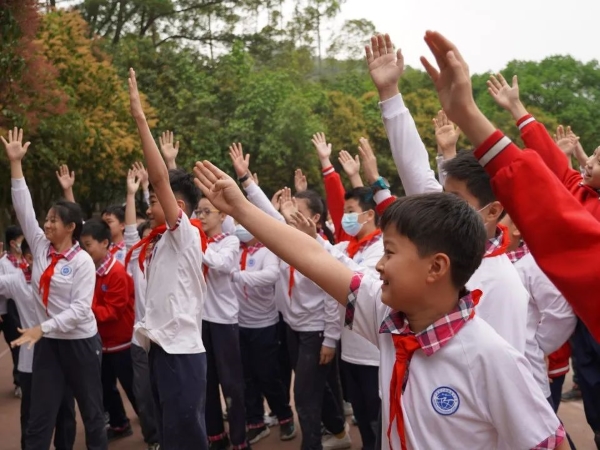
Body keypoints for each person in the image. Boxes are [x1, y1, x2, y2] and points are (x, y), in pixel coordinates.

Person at [192, 159, 568, 450]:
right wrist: (242, 209)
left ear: (436, 267)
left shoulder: (492, 359)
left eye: (390, 252)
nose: (379, 265)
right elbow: (313, 256)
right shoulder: (391, 318)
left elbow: (547, 442)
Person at [4, 127, 106, 449]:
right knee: (39, 417)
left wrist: (42, 328)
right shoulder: (40, 246)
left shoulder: (82, 262)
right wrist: (16, 164)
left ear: (71, 227)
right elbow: (23, 208)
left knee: (91, 413)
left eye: (53, 221)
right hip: (49, 345)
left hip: (80, 343)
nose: (46, 224)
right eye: (46, 219)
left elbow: (80, 311)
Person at [127, 68, 209, 449]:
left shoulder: (184, 234)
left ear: (178, 206)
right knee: (170, 437)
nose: (150, 204)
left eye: (155, 199)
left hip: (181, 355)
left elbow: (160, 180)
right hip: (161, 351)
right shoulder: (160, 241)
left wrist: (140, 118)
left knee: (185, 439)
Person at [229, 143, 296, 444]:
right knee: (246, 377)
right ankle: (256, 420)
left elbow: (270, 276)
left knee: (269, 375)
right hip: (239, 324)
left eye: (247, 223)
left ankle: (284, 417)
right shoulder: (235, 248)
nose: (242, 227)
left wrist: (237, 276)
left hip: (265, 324)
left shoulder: (269, 249)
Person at [0, 239, 76, 450]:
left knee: (65, 412)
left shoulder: (61, 276)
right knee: (31, 415)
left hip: (61, 355)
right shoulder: (17, 280)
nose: (51, 257)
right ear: (29, 258)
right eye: (46, 254)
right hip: (30, 361)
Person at [197, 194, 250, 450]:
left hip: (223, 321)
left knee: (231, 383)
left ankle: (240, 439)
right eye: (199, 212)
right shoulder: (198, 242)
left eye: (207, 211)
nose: (202, 217)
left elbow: (221, 264)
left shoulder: (230, 241)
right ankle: (216, 436)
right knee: (206, 383)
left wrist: (196, 243)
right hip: (201, 320)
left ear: (223, 215)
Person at [80, 219, 137, 442]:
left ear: (104, 243)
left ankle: (154, 431)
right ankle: (119, 423)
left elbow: (111, 312)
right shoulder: (89, 270)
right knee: (105, 387)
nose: (85, 250)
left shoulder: (117, 273)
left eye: (88, 245)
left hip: (121, 342)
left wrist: (85, 306)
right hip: (101, 342)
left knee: (134, 389)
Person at [124, 167, 160, 450]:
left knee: (170, 394)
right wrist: (131, 193)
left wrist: (151, 187)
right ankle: (154, 439)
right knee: (144, 394)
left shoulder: (171, 256)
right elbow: (128, 233)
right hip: (141, 341)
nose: (149, 242)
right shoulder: (137, 259)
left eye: (154, 238)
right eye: (144, 238)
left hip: (166, 340)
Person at [0, 225, 25, 397]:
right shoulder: (3, 263)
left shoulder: (26, 260)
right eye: (21, 240)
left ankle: (22, 381)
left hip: (21, 308)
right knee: (16, 344)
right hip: (7, 310)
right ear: (12, 243)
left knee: (20, 345)